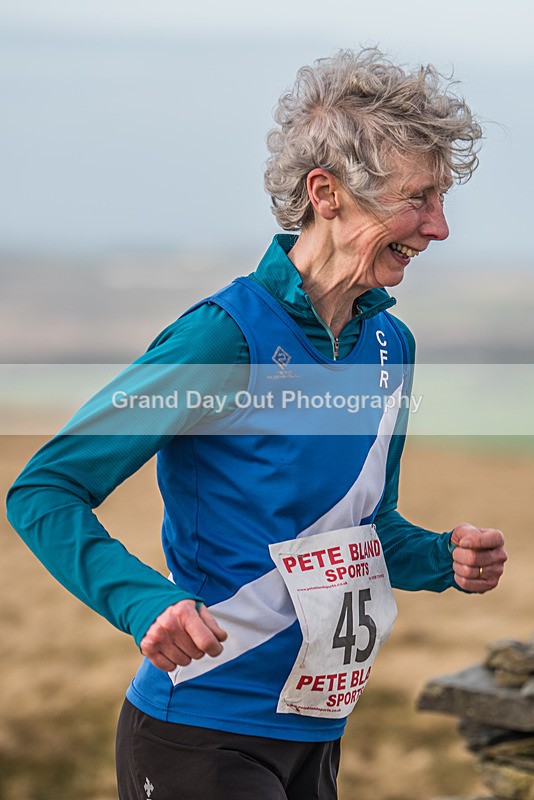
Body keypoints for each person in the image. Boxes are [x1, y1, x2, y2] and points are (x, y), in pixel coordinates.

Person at [6, 48, 507, 800]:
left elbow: (360, 531)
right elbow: (43, 491)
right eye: (418, 198)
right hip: (200, 731)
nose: (438, 227)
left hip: (317, 734)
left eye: (442, 200)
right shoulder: (223, 338)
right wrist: (145, 602)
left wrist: (442, 558)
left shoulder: (388, 345)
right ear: (326, 193)